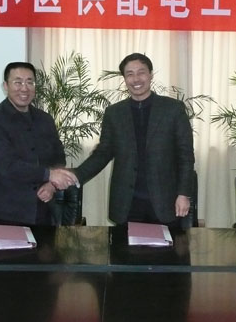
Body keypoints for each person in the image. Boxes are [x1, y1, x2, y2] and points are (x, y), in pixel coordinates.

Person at [73, 53, 195, 227]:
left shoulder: (173, 109)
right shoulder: (114, 113)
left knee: (168, 246)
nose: (136, 79)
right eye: (129, 74)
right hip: (127, 204)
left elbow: (185, 155)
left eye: (141, 72)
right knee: (124, 246)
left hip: (165, 202)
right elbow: (103, 153)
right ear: (124, 78)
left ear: (151, 75)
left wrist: (184, 194)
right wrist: (76, 175)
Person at [0, 61, 77, 226]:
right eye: (18, 82)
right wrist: (49, 175)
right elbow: (7, 165)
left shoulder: (45, 119)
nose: (24, 88)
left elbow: (58, 157)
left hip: (42, 207)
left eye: (30, 82)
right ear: (6, 86)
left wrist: (52, 184)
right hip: (4, 211)